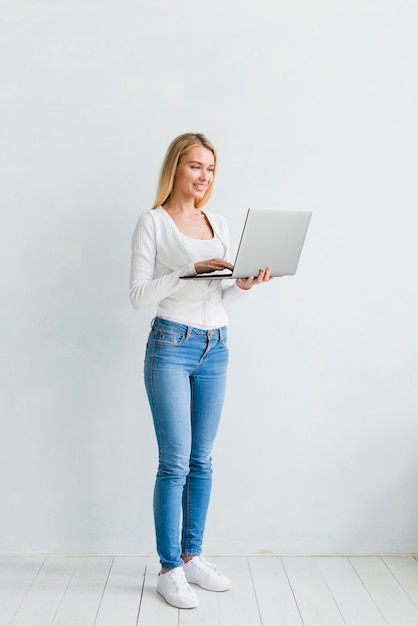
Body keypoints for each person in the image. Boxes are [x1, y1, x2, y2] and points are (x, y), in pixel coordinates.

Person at [129, 132, 271, 609]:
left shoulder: (219, 221)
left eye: (210, 168)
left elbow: (219, 294)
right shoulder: (153, 223)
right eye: (195, 166)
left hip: (217, 344)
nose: (203, 176)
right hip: (170, 344)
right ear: (175, 168)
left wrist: (244, 285)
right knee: (174, 461)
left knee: (202, 460)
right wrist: (188, 272)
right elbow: (138, 296)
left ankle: (192, 556)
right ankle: (168, 568)